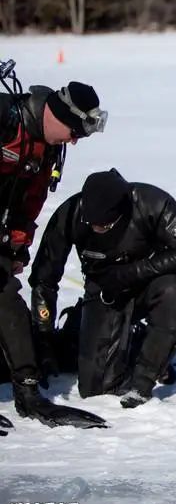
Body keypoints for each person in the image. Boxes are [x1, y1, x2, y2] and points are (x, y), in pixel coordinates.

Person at [29, 169, 176, 409]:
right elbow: (44, 279)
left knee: (174, 291)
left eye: (104, 224)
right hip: (104, 291)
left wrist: (132, 273)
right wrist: (43, 339)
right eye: (92, 224)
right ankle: (111, 338)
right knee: (95, 390)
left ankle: (145, 378)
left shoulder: (153, 203)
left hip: (148, 284)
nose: (97, 228)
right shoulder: (71, 212)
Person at [0, 71, 107, 429]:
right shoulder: (5, 120)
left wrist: (17, 244)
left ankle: (28, 393)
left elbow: (30, 200)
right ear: (57, 116)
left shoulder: (48, 147)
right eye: (74, 133)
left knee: (7, 300)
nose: (74, 142)